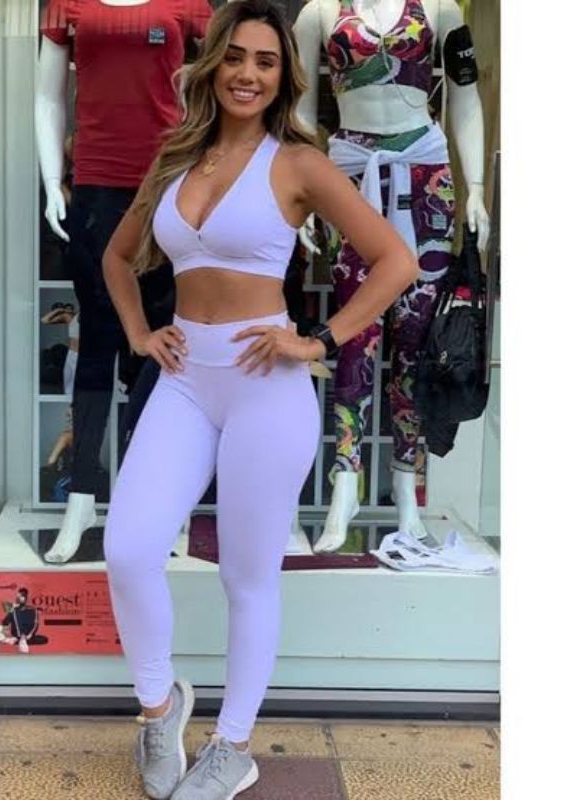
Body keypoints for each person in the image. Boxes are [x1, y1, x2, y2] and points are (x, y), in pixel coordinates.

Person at [101, 1, 419, 798]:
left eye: (266, 61)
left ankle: (233, 746)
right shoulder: (177, 155)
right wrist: (140, 332)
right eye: (236, 57)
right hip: (183, 379)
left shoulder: (300, 164)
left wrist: (319, 340)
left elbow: (395, 260)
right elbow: (117, 256)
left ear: (284, 76)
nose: (248, 73)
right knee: (129, 549)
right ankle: (158, 710)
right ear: (214, 64)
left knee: (247, 578)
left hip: (264, 388)